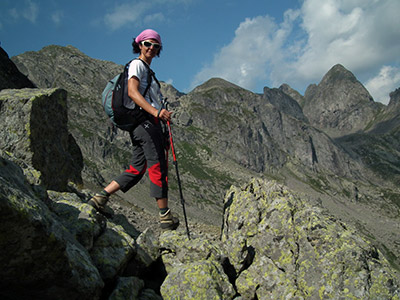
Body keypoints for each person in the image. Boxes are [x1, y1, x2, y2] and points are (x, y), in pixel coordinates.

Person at [89, 29, 179, 231]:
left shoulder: (148, 71)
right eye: (148, 43)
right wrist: (156, 113)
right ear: (139, 44)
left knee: (137, 168)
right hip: (146, 122)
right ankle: (165, 217)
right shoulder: (137, 65)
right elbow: (132, 92)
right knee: (158, 165)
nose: (151, 48)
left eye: (156, 46)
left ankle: (100, 197)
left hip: (141, 124)